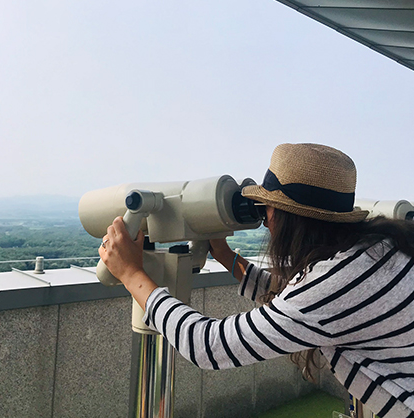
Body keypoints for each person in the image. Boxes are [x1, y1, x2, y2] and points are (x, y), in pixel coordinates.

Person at [99, 143, 414, 418]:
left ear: (291, 218)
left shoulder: (334, 285)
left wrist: (131, 274)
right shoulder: (374, 249)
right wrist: (224, 255)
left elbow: (209, 345)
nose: (264, 222)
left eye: (266, 211)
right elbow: (290, 293)